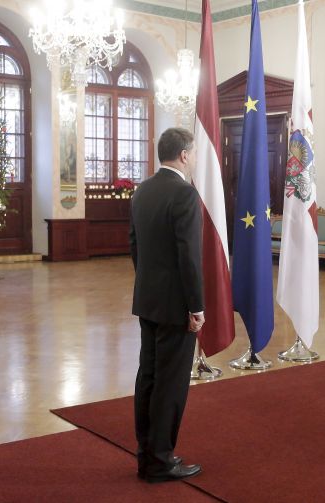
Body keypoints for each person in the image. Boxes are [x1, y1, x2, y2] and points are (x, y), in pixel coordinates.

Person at [130, 127, 205, 483]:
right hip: (176, 305)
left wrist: (150, 286)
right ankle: (160, 460)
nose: (195, 158)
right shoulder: (184, 194)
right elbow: (188, 257)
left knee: (148, 376)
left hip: (148, 300)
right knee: (171, 384)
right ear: (185, 155)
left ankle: (146, 453)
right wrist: (196, 306)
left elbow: (134, 246)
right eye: (195, 153)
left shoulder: (142, 191)